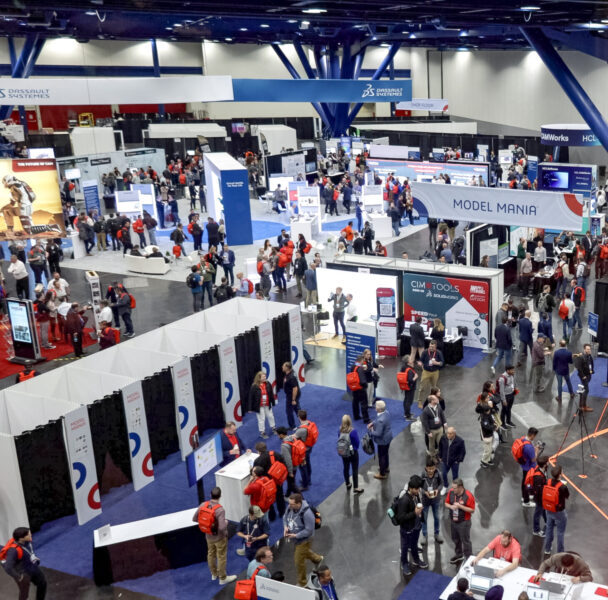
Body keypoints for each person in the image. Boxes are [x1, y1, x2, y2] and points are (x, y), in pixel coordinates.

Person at [193, 487, 237, 585]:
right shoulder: (220, 510)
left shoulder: (203, 505)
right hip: (220, 538)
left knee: (210, 554)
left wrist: (208, 525)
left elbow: (195, 519)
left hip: (208, 536)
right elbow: (221, 528)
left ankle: (214, 574)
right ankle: (222, 578)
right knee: (221, 556)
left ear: (210, 495)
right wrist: (226, 522)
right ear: (220, 496)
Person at [283, 493, 323, 587]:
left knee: (298, 561)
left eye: (292, 504)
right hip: (295, 538)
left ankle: (302, 583)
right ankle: (318, 559)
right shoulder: (290, 507)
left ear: (298, 503)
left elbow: (309, 530)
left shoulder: (307, 513)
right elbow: (285, 517)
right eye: (289, 503)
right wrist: (285, 527)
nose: (289, 506)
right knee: (304, 552)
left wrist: (296, 535)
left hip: (304, 540)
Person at [2, 526, 47, 600]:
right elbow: (8, 567)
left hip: (33, 568)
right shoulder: (13, 551)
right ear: (21, 538)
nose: (31, 535)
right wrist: (19, 577)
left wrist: (34, 559)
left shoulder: (28, 542)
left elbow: (29, 552)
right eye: (28, 535)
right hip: (24, 574)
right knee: (24, 594)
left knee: (42, 583)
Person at [445, 478, 475, 564]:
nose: (452, 489)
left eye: (455, 488)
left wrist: (460, 506)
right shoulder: (451, 492)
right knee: (455, 539)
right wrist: (450, 507)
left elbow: (472, 510)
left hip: (464, 522)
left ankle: (469, 559)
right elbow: (446, 503)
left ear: (461, 487)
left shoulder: (468, 496)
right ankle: (459, 555)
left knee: (465, 541)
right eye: (452, 487)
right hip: (453, 521)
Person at [253, 441, 287, 519]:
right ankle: (282, 512)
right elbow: (283, 463)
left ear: (258, 451)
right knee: (280, 496)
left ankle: (272, 516)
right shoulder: (275, 454)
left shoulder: (257, 460)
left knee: (269, 499)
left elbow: (256, 473)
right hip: (277, 480)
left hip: (267, 483)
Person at [543, 464, 570, 556]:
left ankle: (547, 548)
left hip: (549, 508)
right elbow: (567, 496)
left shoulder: (547, 482)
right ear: (560, 474)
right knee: (560, 532)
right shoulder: (562, 487)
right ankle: (560, 553)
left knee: (549, 529)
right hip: (559, 511)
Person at [338, 414, 363, 494]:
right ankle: (356, 487)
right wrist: (354, 448)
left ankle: (348, 483)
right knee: (354, 469)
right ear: (349, 421)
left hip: (343, 452)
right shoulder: (353, 431)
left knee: (346, 468)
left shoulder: (340, 430)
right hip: (353, 453)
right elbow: (357, 442)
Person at [420, 457, 443, 545]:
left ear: (435, 467)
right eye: (429, 469)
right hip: (425, 500)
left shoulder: (438, 474)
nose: (431, 470)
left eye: (432, 468)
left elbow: (441, 484)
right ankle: (424, 535)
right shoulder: (423, 475)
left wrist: (437, 490)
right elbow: (419, 487)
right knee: (424, 518)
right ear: (426, 468)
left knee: (436, 517)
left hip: (435, 500)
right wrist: (424, 492)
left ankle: (437, 534)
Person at [367, 400, 392, 480]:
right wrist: (373, 423)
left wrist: (371, 431)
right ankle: (386, 467)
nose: (375, 407)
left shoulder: (381, 421)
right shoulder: (386, 412)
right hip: (388, 437)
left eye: (376, 406)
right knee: (385, 453)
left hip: (382, 440)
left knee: (381, 456)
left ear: (380, 409)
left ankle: (382, 473)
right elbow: (377, 419)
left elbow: (378, 434)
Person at [248, 371, 276, 439]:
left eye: (265, 376)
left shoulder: (268, 383)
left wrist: (273, 402)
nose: (265, 378)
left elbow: (271, 393)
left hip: (267, 403)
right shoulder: (254, 386)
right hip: (259, 405)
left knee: (270, 416)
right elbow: (251, 397)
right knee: (261, 419)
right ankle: (262, 432)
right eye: (263, 377)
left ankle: (273, 427)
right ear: (259, 378)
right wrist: (250, 408)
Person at [416, 340, 444, 408]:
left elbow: (442, 363)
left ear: (435, 347)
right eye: (430, 346)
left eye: (432, 347)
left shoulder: (438, 353)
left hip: (435, 372)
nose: (431, 348)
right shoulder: (425, 352)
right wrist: (420, 363)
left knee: (434, 387)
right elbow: (421, 360)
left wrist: (436, 363)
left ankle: (433, 400)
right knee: (422, 387)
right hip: (426, 372)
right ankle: (419, 401)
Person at [438, 427, 465, 491]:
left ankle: (454, 488)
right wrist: (440, 456)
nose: (448, 435)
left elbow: (463, 452)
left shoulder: (460, 441)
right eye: (447, 433)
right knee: (444, 474)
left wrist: (458, 460)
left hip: (454, 462)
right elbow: (440, 447)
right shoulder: (443, 438)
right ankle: (445, 485)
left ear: (454, 433)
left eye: (450, 433)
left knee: (455, 476)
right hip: (445, 460)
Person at [277, 427, 302, 496]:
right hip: (296, 463)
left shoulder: (284, 446)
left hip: (291, 467)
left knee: (292, 484)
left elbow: (288, 460)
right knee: (290, 482)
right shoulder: (293, 438)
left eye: (278, 435)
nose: (278, 436)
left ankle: (301, 499)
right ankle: (288, 494)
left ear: (281, 435)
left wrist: (290, 472)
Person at [295, 409, 317, 489]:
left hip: (303, 450)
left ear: (299, 417)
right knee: (308, 463)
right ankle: (308, 480)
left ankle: (305, 485)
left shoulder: (301, 430)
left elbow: (294, 437)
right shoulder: (309, 423)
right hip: (310, 446)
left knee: (302, 467)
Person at [421, 393, 446, 458]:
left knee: (441, 442)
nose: (437, 399)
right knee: (432, 444)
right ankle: (432, 456)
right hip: (432, 430)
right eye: (436, 399)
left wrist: (444, 422)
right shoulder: (426, 410)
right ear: (432, 401)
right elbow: (424, 422)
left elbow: (442, 414)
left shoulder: (438, 406)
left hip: (440, 428)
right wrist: (428, 432)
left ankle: (441, 454)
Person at [530, 455, 549, 537]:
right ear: (544, 464)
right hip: (539, 498)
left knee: (543, 509)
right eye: (547, 462)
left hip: (542, 497)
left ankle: (547, 521)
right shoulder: (538, 477)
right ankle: (536, 530)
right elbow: (539, 491)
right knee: (537, 513)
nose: (549, 463)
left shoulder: (543, 469)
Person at [350, 355, 370, 424]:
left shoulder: (353, 366)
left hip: (354, 387)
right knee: (364, 403)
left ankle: (356, 416)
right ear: (361, 360)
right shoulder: (360, 368)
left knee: (355, 402)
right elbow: (362, 380)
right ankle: (366, 419)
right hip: (361, 388)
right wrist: (366, 386)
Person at [574, 343, 594, 412]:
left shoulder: (589, 356)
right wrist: (583, 376)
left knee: (584, 390)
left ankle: (582, 405)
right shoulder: (581, 357)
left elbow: (590, 364)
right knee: (586, 390)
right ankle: (583, 406)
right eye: (587, 349)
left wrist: (592, 371)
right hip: (584, 376)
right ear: (584, 349)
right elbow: (578, 368)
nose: (589, 350)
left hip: (588, 375)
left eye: (589, 349)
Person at [282, 361, 301, 430]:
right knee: (297, 409)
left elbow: (295, 388)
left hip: (292, 396)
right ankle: (303, 423)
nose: (282, 367)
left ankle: (293, 426)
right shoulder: (289, 373)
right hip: (291, 395)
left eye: (283, 366)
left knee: (289, 411)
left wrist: (293, 399)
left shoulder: (291, 377)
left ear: (287, 368)